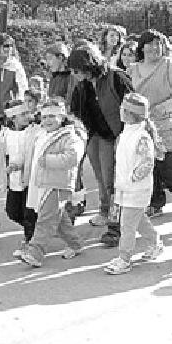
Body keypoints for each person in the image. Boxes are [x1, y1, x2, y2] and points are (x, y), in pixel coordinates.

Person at [66, 45, 132, 246]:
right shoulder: (82, 84)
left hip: (115, 135)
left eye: (77, 70)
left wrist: (127, 134)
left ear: (88, 66)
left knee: (114, 182)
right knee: (102, 179)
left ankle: (116, 226)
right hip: (94, 135)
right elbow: (75, 111)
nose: (74, 75)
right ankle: (105, 212)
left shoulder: (116, 77)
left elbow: (132, 104)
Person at [128, 29, 172, 217]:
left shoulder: (169, 66)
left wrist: (164, 107)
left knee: (170, 166)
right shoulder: (133, 69)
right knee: (148, 165)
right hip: (140, 125)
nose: (154, 48)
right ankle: (155, 202)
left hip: (165, 123)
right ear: (142, 47)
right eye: (150, 43)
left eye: (159, 43)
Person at [18, 99, 88, 268]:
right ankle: (76, 244)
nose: (47, 120)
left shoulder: (70, 136)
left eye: (52, 116)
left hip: (58, 184)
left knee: (46, 220)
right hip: (43, 183)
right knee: (58, 218)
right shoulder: (42, 134)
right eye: (44, 117)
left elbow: (72, 158)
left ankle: (35, 252)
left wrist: (47, 160)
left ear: (62, 116)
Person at [103, 93, 164, 274]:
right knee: (137, 220)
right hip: (124, 188)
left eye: (123, 109)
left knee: (127, 224)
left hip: (136, 189)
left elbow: (147, 162)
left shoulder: (141, 137)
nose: (120, 111)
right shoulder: (126, 133)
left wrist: (132, 178)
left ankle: (124, 258)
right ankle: (155, 242)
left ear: (130, 114)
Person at [0, 99, 43, 259]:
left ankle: (30, 242)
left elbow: (34, 154)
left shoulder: (35, 131)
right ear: (12, 118)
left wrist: (19, 165)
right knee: (12, 211)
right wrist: (2, 175)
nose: (26, 116)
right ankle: (38, 231)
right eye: (21, 114)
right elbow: (1, 155)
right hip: (14, 180)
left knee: (28, 212)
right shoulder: (6, 133)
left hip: (30, 180)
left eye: (26, 113)